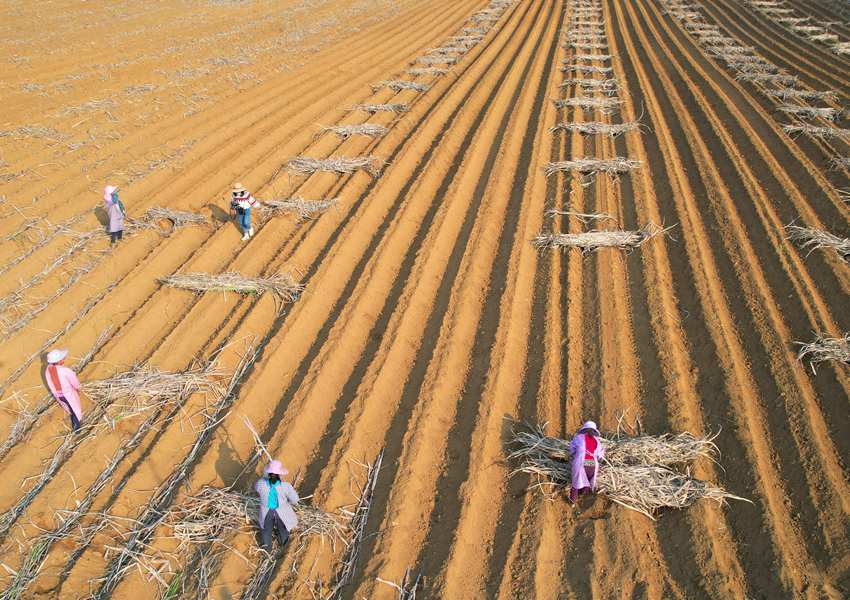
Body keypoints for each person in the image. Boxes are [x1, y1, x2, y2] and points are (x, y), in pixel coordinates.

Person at [255, 459, 299, 552]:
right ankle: (283, 546)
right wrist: (289, 502)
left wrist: (266, 474)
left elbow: (259, 485)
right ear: (280, 474)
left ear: (268, 473)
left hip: (266, 512)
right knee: (283, 528)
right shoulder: (286, 486)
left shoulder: (260, 484)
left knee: (266, 530)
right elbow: (295, 499)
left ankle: (266, 550)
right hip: (282, 512)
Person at [44, 349, 83, 432]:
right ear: (58, 361)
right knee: (75, 409)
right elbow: (74, 381)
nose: (64, 359)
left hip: (58, 395)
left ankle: (75, 422)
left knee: (69, 407)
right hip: (68, 395)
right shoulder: (65, 371)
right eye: (62, 359)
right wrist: (78, 388)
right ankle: (77, 429)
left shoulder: (48, 370)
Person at [569, 420, 604, 504]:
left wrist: (572, 456)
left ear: (585, 429)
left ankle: (572, 502)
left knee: (577, 481)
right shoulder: (597, 441)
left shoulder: (578, 438)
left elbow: (571, 450)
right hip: (592, 465)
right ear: (594, 431)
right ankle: (583, 499)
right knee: (587, 481)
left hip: (581, 463)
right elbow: (600, 455)